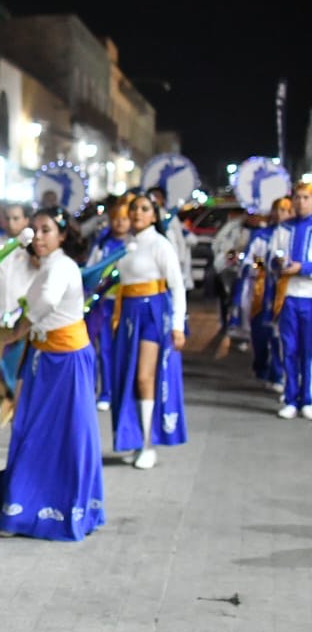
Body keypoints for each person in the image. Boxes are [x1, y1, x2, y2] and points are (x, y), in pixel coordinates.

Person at [0, 206, 104, 540]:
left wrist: (19, 331)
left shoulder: (62, 265)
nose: (40, 236)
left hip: (66, 361)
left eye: (47, 229)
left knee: (62, 436)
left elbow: (46, 300)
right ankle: (19, 506)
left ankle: (46, 508)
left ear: (62, 234)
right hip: (41, 358)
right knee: (29, 431)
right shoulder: (46, 265)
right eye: (36, 230)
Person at [110, 193, 187, 469]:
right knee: (128, 377)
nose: (138, 213)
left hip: (152, 314)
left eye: (144, 209)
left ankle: (148, 444)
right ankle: (134, 439)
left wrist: (178, 326)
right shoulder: (126, 246)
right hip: (128, 312)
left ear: (154, 215)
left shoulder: (160, 244)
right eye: (134, 209)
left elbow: (177, 286)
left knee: (145, 377)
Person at [0, 202, 36, 422]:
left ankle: (22, 403)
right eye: (8, 218)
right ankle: (1, 402)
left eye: (17, 218)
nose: (11, 222)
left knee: (21, 362)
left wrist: (30, 250)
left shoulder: (33, 245)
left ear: (26, 221)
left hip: (22, 315)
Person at [270, 183, 312, 418]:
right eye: (297, 197)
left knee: (309, 350)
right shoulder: (283, 228)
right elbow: (271, 257)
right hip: (287, 296)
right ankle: (290, 397)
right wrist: (278, 263)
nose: (301, 202)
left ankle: (307, 398)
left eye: (306, 197)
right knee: (289, 348)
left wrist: (303, 267)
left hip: (310, 296)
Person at [85, 198, 131, 413]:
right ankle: (96, 390)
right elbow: (92, 269)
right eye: (116, 219)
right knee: (100, 348)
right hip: (101, 303)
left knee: (117, 350)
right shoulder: (102, 244)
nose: (120, 223)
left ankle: (111, 391)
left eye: (124, 219)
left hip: (124, 304)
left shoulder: (132, 245)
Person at [246, 196, 294, 391]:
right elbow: (254, 259)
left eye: (286, 210)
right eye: (279, 210)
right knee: (263, 331)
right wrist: (262, 266)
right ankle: (264, 367)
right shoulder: (262, 234)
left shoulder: (296, 232)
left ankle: (280, 374)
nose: (282, 214)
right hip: (265, 289)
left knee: (283, 335)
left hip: (291, 290)